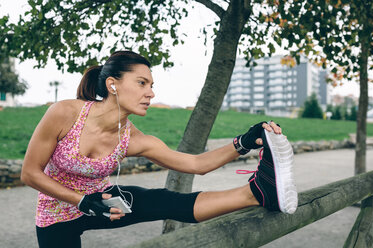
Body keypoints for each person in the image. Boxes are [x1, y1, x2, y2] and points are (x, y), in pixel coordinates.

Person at [21, 51, 297, 248]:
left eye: (152, 85)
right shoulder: (65, 113)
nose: (151, 93)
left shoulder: (134, 138)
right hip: (55, 215)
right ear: (112, 84)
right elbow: (30, 173)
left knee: (165, 201)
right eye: (142, 83)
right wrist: (81, 201)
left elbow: (195, 165)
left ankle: (256, 192)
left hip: (103, 201)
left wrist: (243, 142)